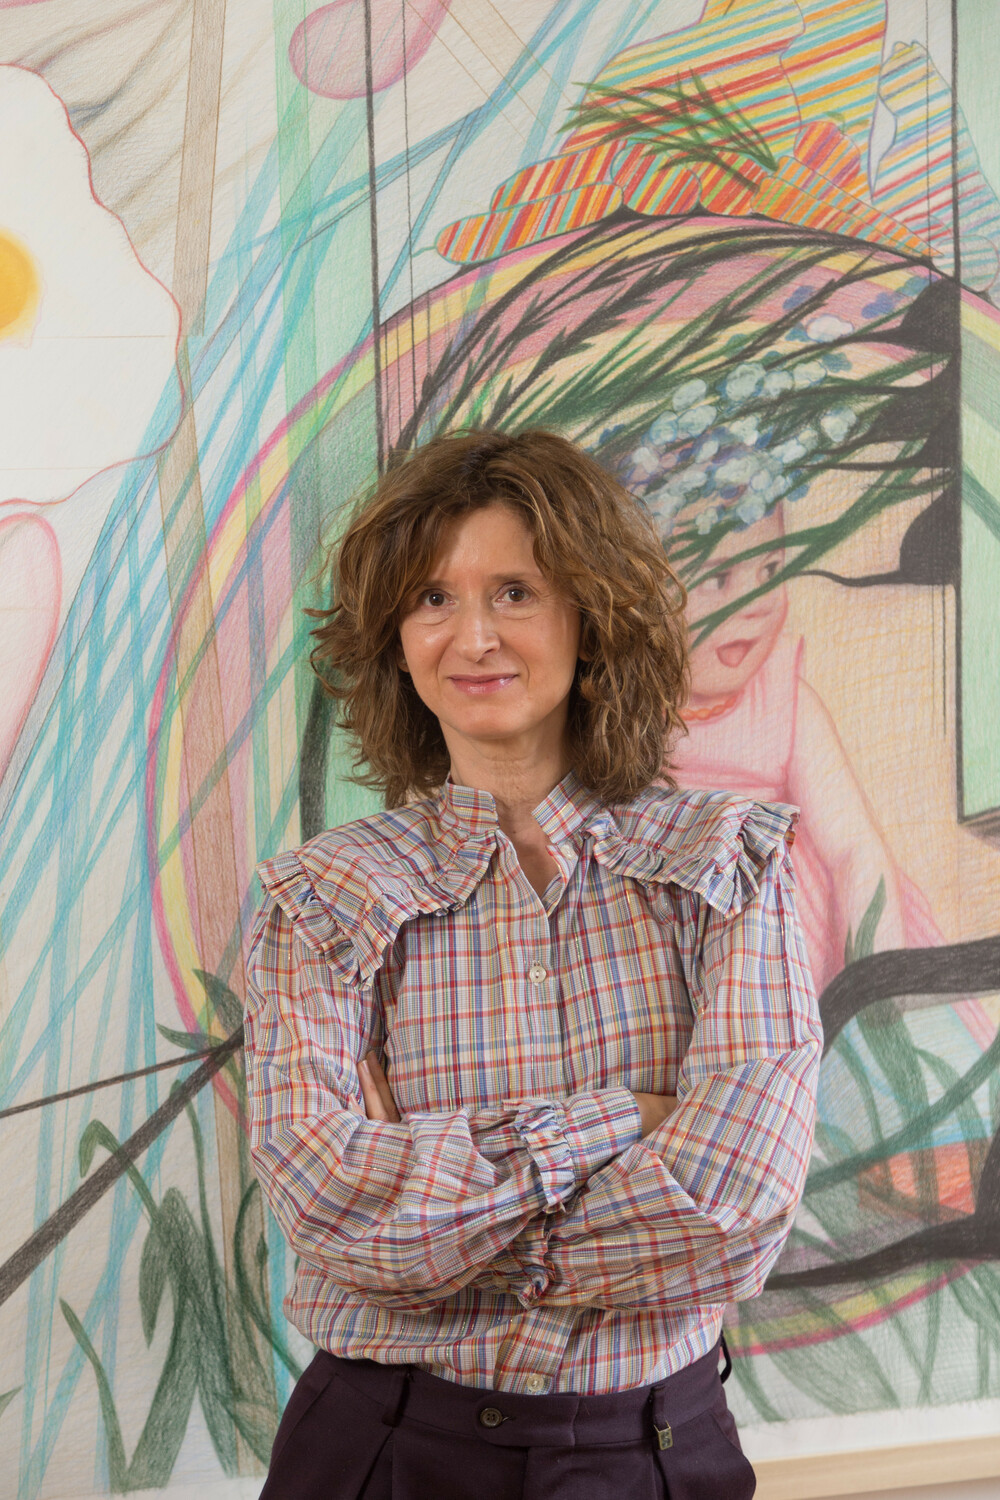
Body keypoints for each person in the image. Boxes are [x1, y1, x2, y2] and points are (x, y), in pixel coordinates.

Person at [243, 428, 822, 1500]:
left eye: (515, 591)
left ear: (590, 616)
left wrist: (443, 1226)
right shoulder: (319, 899)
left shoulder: (728, 864)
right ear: (394, 639)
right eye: (431, 598)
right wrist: (625, 1120)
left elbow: (736, 1207)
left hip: (654, 1452)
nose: (472, 637)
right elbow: (331, 1212)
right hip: (380, 1449)